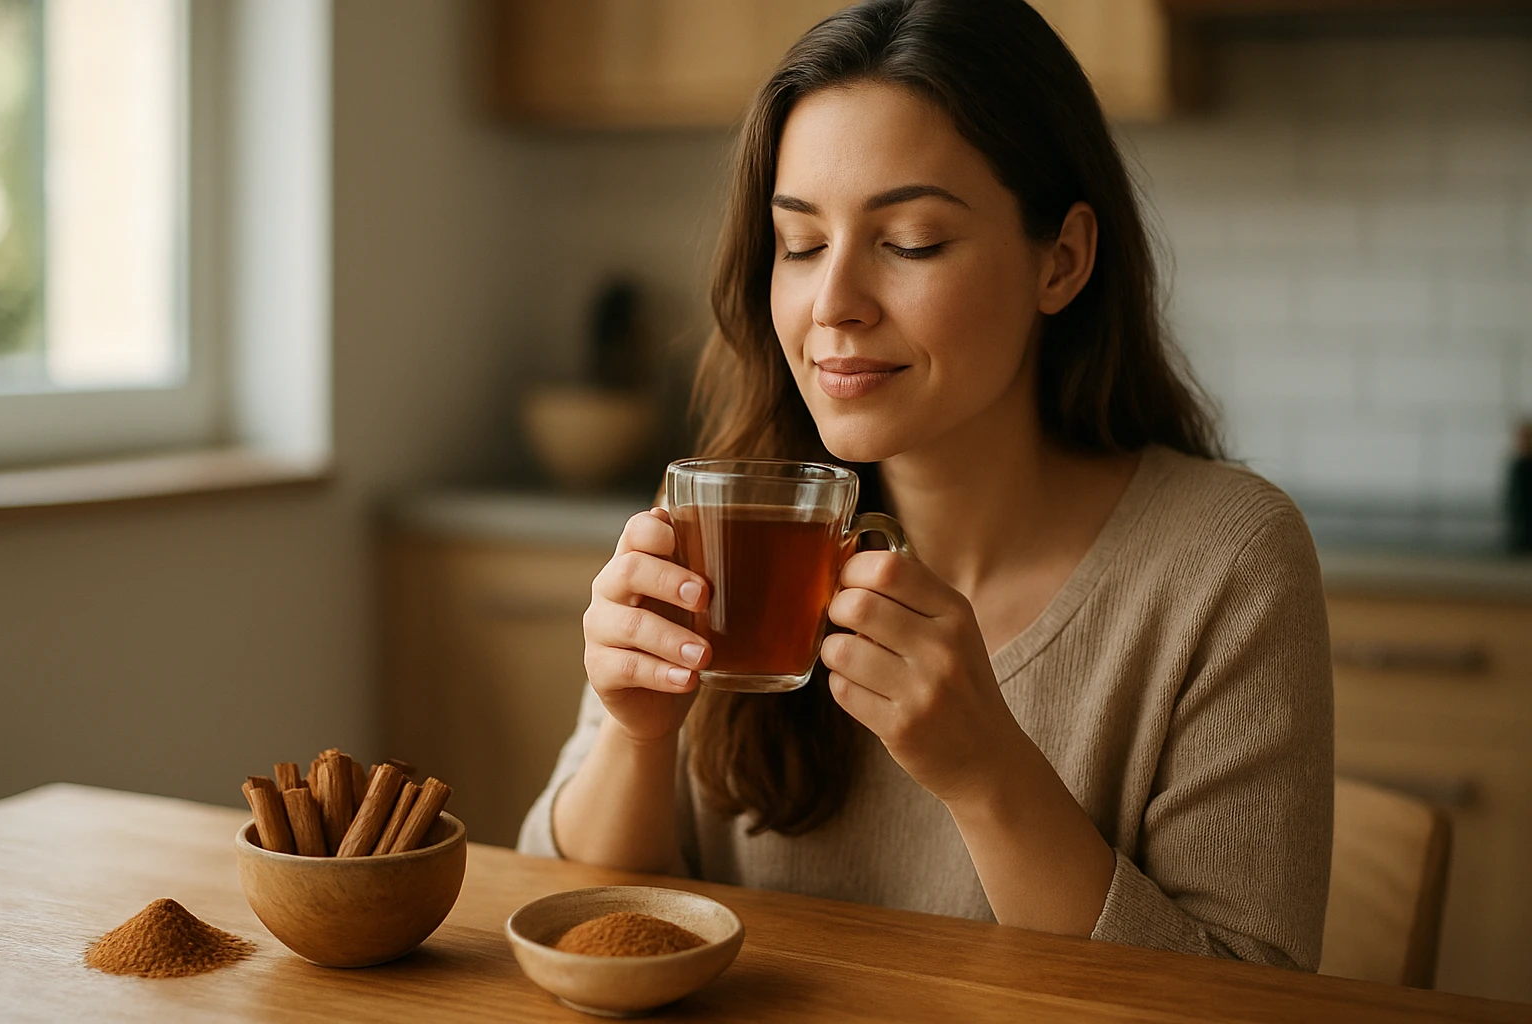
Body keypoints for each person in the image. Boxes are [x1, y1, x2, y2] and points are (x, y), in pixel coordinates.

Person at [519, 0, 1332, 971]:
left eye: (909, 242)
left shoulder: (1226, 563)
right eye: (802, 243)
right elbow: (593, 929)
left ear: (1062, 259)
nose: (834, 306)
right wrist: (636, 734)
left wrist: (990, 776)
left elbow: (1249, 1000)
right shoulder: (729, 525)